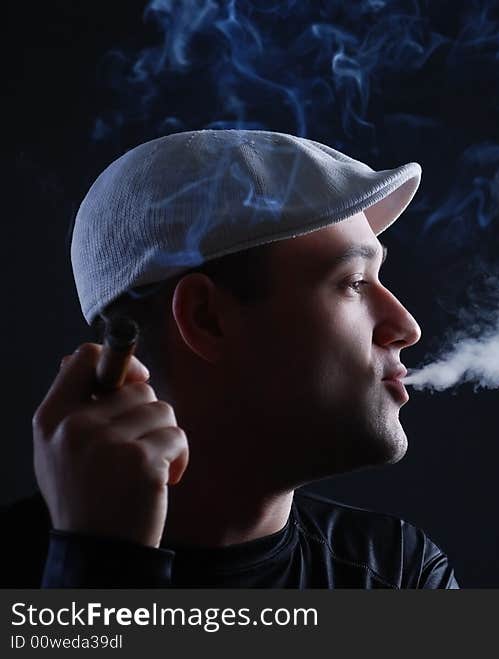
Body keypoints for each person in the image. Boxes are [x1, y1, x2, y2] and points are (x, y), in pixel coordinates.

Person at [1, 130, 459, 588]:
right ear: (207, 319)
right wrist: (102, 568)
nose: (406, 326)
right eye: (355, 282)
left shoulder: (399, 573)